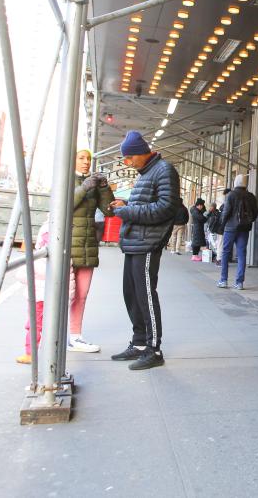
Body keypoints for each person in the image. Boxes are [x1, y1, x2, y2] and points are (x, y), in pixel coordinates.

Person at [108, 130, 181, 371]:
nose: (127, 163)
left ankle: (154, 349)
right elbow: (147, 203)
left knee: (146, 295)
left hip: (148, 243)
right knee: (132, 294)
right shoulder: (147, 172)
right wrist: (126, 204)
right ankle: (139, 343)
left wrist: (127, 212)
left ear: (141, 153)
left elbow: (165, 208)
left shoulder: (164, 170)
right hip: (135, 242)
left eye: (129, 158)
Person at [69, 149, 115, 353]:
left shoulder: (92, 185)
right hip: (68, 245)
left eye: (88, 158)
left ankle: (75, 336)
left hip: (88, 245)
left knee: (82, 293)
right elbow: (65, 204)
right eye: (81, 158)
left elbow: (109, 210)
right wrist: (85, 186)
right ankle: (56, 334)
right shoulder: (66, 179)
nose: (86, 162)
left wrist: (104, 188)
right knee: (65, 294)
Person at [15, 220, 50, 364]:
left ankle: (31, 353)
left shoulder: (41, 260)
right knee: (43, 323)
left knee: (34, 324)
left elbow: (22, 275)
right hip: (44, 293)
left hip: (39, 294)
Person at [217, 174, 258, 289]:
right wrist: (248, 221)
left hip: (230, 228)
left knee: (225, 252)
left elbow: (225, 212)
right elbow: (255, 212)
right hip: (244, 229)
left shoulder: (231, 195)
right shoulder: (251, 196)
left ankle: (223, 280)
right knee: (241, 254)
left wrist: (222, 224)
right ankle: (239, 282)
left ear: (235, 182)